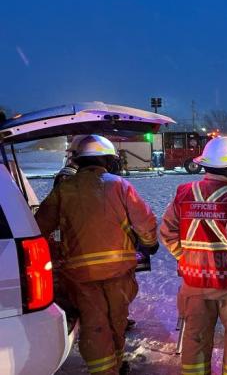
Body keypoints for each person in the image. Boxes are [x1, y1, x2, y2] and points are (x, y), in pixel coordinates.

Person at [35, 135, 158, 375]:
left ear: (78, 161)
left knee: (94, 324)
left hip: (80, 273)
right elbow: (144, 221)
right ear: (108, 160)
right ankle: (116, 363)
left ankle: (104, 370)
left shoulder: (64, 189)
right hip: (119, 269)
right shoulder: (120, 185)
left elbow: (39, 227)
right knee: (117, 320)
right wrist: (149, 244)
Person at [160, 136, 227, 375]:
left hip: (194, 285)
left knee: (195, 340)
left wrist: (186, 256)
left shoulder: (184, 192)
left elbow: (167, 231)